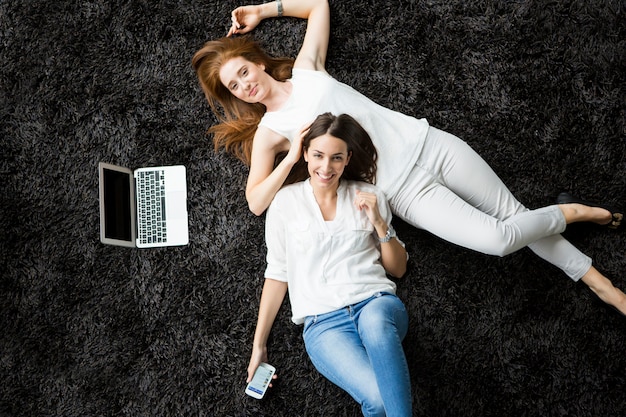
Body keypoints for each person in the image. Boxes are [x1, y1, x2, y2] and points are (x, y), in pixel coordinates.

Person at [191, 0, 625, 316]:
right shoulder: (270, 134)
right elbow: (255, 201)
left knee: (513, 214)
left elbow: (319, 6)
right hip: (403, 192)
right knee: (499, 240)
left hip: (430, 143)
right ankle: (570, 211)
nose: (244, 85)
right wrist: (292, 160)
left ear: (257, 63)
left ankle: (599, 283)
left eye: (243, 71)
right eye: (233, 86)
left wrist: (264, 11)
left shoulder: (307, 70)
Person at [247, 112, 412, 416]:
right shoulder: (285, 203)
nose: (326, 167)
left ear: (348, 158)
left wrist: (377, 222)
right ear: (305, 154)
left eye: (336, 158)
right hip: (324, 325)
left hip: (375, 304)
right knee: (376, 400)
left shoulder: (371, 195)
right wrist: (259, 345)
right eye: (318, 155)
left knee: (375, 325)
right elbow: (277, 274)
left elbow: (398, 269)